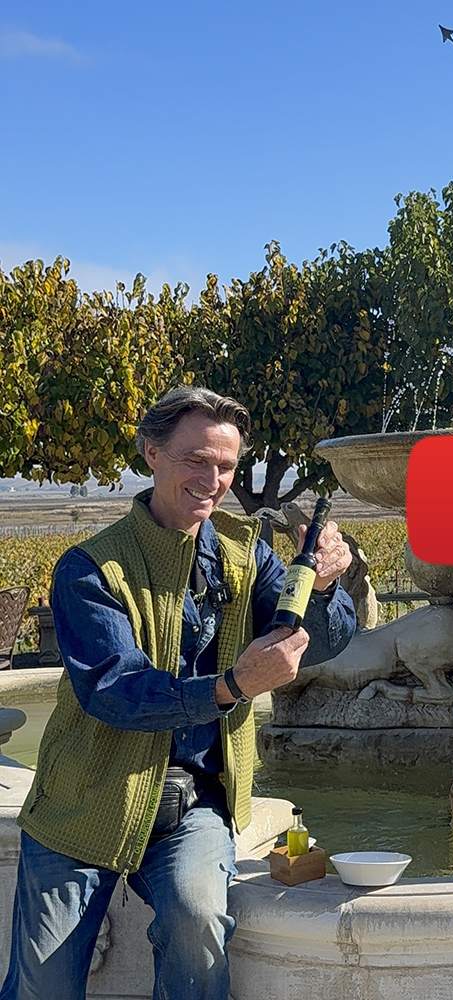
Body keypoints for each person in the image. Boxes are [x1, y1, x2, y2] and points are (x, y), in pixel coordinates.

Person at [0, 386, 357, 1000]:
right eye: (195, 459)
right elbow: (117, 691)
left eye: (225, 465)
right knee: (43, 989)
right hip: (84, 804)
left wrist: (324, 585)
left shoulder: (247, 555)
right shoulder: (89, 569)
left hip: (192, 810)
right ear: (151, 454)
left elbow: (320, 641)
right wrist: (232, 686)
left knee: (197, 923)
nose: (212, 479)